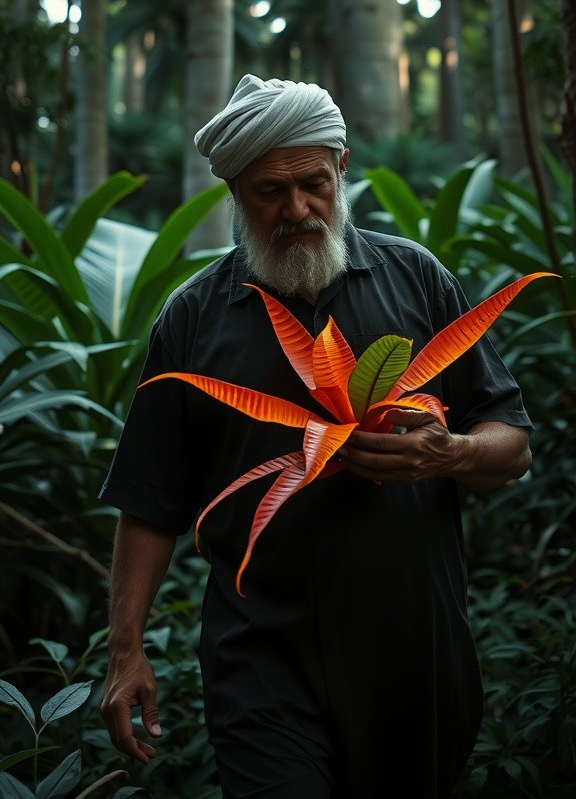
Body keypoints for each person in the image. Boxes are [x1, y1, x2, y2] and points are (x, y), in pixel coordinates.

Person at [99, 73, 532, 799]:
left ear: (343, 167)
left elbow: (510, 444)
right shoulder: (192, 318)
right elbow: (149, 500)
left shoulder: (416, 281)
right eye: (270, 191)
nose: (297, 209)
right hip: (260, 656)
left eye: (314, 184)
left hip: (412, 648)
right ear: (234, 192)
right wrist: (124, 651)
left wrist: (448, 453)